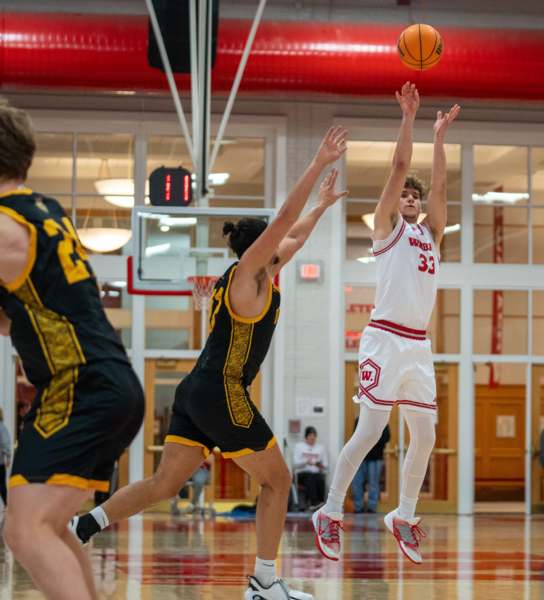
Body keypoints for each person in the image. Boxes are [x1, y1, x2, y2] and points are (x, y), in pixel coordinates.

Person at [70, 126, 349, 600]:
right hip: (222, 389)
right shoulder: (247, 278)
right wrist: (318, 162)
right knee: (279, 482)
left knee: (163, 484)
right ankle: (264, 583)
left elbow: (294, 234)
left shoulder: (253, 276)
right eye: (274, 247)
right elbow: (285, 219)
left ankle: (85, 522)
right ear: (261, 251)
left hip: (195, 390)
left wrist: (321, 206)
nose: (283, 248)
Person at [0, 99, 145, 600]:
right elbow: (12, 315)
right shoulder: (45, 213)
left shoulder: (3, 226)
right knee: (49, 522)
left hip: (80, 384)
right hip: (105, 381)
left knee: (25, 527)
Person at [312, 83, 460, 566]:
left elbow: (441, 188)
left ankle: (404, 515)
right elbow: (399, 169)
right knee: (371, 432)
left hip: (418, 345)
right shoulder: (387, 227)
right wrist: (410, 118)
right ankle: (330, 511)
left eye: (416, 196)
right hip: (384, 338)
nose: (412, 198)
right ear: (398, 204)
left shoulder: (432, 235)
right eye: (407, 196)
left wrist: (439, 138)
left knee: (427, 435)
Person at [352, 420, 390, 514]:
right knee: (357, 483)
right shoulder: (359, 419)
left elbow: (386, 437)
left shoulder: (383, 420)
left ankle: (372, 508)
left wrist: (371, 439)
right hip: (360, 456)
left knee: (373, 483)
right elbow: (356, 436)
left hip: (376, 457)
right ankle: (358, 508)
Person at [293, 426, 328, 510]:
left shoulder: (321, 448)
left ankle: (320, 503)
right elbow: (295, 463)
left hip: (316, 472)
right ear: (306, 437)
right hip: (302, 473)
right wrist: (306, 462)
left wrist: (319, 465)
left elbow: (325, 465)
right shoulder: (299, 446)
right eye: (310, 435)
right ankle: (314, 502)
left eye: (314, 436)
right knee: (310, 477)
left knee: (320, 479)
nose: (312, 438)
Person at [0, 409, 11, 508]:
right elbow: (5, 443)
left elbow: (5, 444)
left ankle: (7, 504)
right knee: (2, 484)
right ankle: (7, 504)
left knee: (1, 485)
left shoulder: (1, 427)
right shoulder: (2, 427)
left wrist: (7, 456)